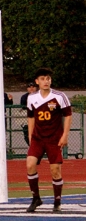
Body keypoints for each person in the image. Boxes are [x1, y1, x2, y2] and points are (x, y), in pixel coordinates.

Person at [25, 67, 72, 213]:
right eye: (43, 79)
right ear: (37, 81)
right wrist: (30, 135)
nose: (46, 81)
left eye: (48, 79)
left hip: (54, 139)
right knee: (30, 165)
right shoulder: (31, 97)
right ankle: (36, 198)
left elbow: (68, 115)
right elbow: (31, 117)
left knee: (55, 169)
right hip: (38, 138)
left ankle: (57, 202)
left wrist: (65, 135)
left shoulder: (59, 96)